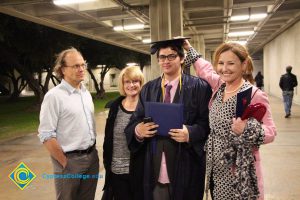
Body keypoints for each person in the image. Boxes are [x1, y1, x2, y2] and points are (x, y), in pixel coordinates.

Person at [184, 40, 276, 200]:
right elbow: (205, 70)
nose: (224, 68)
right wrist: (189, 48)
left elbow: (271, 131)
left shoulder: (253, 94)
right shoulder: (220, 86)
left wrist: (247, 129)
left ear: (244, 64)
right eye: (220, 63)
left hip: (239, 170)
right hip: (216, 168)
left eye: (231, 63)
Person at [125, 38, 212, 200]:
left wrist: (190, 133)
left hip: (186, 163)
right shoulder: (148, 89)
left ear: (182, 58)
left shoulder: (199, 87)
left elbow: (207, 124)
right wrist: (138, 130)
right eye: (162, 57)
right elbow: (135, 120)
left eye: (171, 56)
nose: (166, 61)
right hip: (155, 163)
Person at [38, 47, 99, 200]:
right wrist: (65, 162)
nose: (81, 69)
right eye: (75, 66)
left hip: (91, 158)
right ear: (63, 69)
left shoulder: (85, 93)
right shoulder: (54, 97)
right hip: (69, 161)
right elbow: (46, 135)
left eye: (82, 65)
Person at [102, 66, 145, 200]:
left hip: (141, 172)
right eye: (127, 82)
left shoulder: (147, 107)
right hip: (117, 171)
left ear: (141, 83)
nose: (131, 85)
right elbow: (108, 139)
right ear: (122, 84)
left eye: (135, 81)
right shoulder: (114, 106)